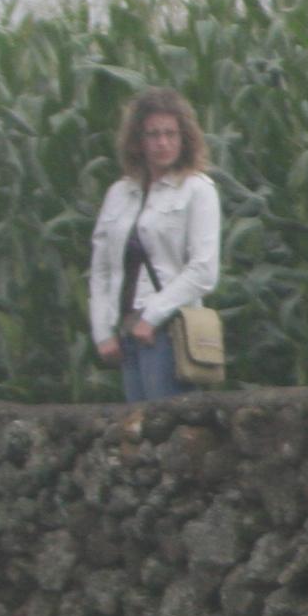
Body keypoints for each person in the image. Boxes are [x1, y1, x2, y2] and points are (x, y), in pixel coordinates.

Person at [87, 87, 223, 404]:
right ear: (138, 140)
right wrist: (103, 332)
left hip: (169, 332)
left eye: (170, 134)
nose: (162, 143)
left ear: (184, 138)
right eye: (153, 134)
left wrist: (153, 316)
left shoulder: (197, 190)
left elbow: (204, 270)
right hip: (126, 333)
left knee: (167, 429)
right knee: (137, 436)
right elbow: (102, 268)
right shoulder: (119, 193)